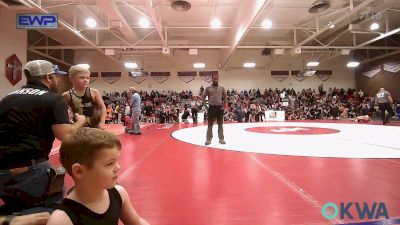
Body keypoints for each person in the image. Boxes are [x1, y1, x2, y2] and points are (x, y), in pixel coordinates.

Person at [0, 60, 86, 225]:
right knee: (55, 214)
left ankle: (12, 217)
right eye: (56, 77)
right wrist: (80, 122)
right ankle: (12, 221)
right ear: (48, 77)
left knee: (15, 206)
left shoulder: (7, 98)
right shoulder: (52, 99)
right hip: (31, 169)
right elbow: (65, 136)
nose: (59, 80)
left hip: (2, 171)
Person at [46, 127, 150, 225]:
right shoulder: (62, 219)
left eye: (117, 161)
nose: (118, 167)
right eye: (110, 163)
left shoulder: (119, 194)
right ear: (79, 171)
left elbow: (137, 221)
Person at [62, 65, 106, 129]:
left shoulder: (93, 92)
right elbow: (62, 113)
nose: (85, 80)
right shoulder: (67, 95)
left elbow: (102, 107)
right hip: (78, 128)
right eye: (82, 77)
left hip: (95, 127)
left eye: (87, 78)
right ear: (71, 78)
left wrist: (102, 122)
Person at [202, 74, 228, 145]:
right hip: (211, 108)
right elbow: (203, 98)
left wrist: (225, 107)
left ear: (218, 79)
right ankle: (208, 139)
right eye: (214, 79)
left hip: (219, 108)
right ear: (212, 79)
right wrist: (206, 107)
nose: (216, 80)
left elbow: (225, 97)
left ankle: (221, 139)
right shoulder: (208, 88)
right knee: (210, 125)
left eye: (217, 79)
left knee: (220, 124)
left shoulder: (221, 87)